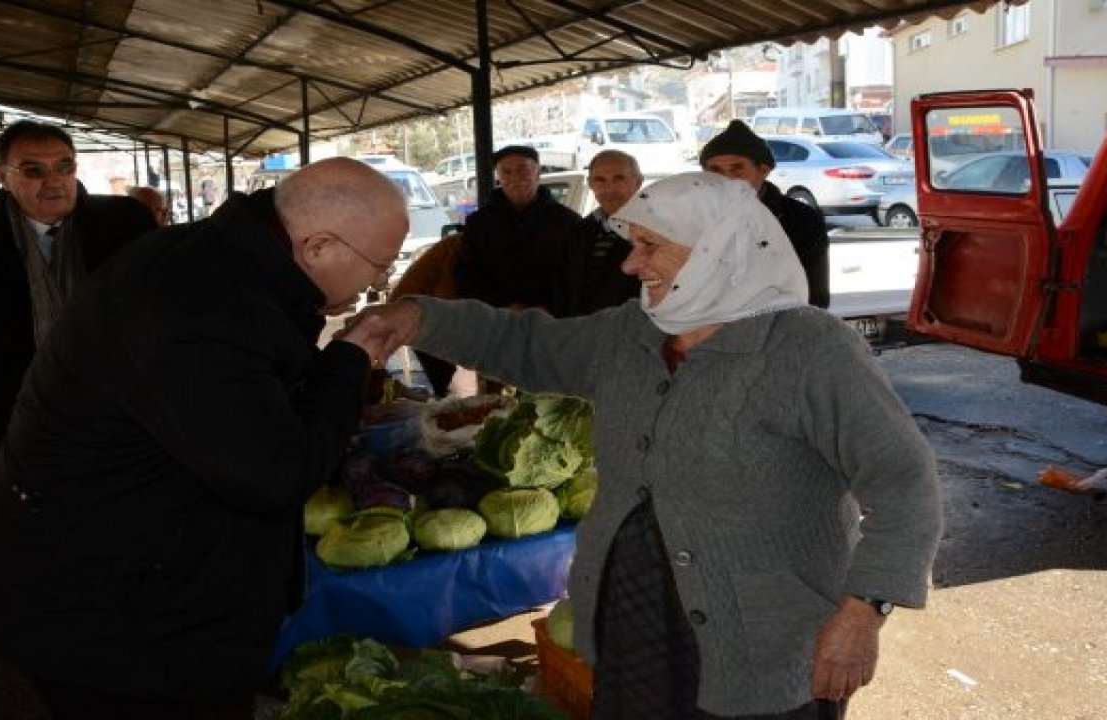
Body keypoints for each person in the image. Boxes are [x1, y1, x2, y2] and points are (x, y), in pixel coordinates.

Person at [346, 172, 942, 719]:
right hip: (635, 613)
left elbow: (904, 484)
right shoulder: (634, 332)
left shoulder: (809, 349)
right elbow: (528, 344)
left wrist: (865, 612)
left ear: (718, 252)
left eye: (649, 247)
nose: (631, 265)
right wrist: (418, 319)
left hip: (764, 631)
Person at [0, 157, 409, 719]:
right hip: (109, 616)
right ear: (318, 247)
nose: (379, 284)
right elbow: (277, 474)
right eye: (382, 266)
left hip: (128, 574)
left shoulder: (222, 261)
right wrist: (353, 356)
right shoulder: (198, 308)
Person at [0, 120, 156, 439]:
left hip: (132, 417)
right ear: (2, 176)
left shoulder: (126, 224)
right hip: (28, 425)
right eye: (33, 171)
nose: (54, 181)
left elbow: (162, 310)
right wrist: (2, 416)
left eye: (64, 166)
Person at [701, 119, 831, 308]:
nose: (726, 178)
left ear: (763, 170)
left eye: (737, 168)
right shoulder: (691, 217)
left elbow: (815, 295)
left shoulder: (801, 219)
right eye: (715, 170)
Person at [452, 144, 581, 312]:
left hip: (555, 321)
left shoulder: (568, 222)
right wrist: (505, 305)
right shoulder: (478, 223)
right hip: (495, 320)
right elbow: (465, 273)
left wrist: (550, 307)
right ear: (499, 177)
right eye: (506, 172)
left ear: (538, 173)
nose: (515, 177)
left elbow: (578, 274)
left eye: (523, 170)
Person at [551, 149, 644, 317]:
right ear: (590, 184)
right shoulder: (577, 231)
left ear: (638, 182)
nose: (609, 188)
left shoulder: (658, 232)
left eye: (619, 178)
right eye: (600, 180)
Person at [387, 232, 463, 397]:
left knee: (443, 372)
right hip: (413, 310)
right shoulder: (460, 248)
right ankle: (443, 410)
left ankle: (443, 403)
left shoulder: (459, 244)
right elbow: (445, 300)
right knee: (442, 374)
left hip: (415, 307)